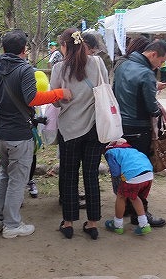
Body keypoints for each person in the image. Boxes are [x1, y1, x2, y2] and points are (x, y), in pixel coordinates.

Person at [0, 29, 71, 239]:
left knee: (4, 175)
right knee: (17, 180)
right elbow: (32, 98)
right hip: (19, 134)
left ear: (4, 49)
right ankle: (12, 225)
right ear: (24, 49)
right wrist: (59, 93)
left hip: (1, 134)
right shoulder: (25, 69)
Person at [50, 28, 108, 240]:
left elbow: (56, 101)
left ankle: (68, 223)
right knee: (91, 174)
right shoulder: (97, 63)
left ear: (65, 45)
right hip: (95, 128)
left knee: (68, 174)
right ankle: (92, 224)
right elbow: (105, 89)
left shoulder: (59, 68)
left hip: (69, 129)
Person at [113, 39, 166, 228]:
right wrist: (157, 110)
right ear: (153, 54)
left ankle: (125, 207)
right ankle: (140, 213)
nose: (160, 65)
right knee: (141, 172)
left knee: (123, 170)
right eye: (161, 61)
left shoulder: (121, 66)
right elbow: (150, 107)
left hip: (119, 127)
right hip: (139, 129)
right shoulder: (146, 73)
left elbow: (114, 93)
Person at [104, 139, 154, 236]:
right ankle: (144, 224)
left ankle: (117, 224)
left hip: (132, 174)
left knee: (121, 197)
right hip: (148, 174)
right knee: (134, 197)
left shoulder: (110, 152)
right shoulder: (131, 150)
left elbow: (116, 172)